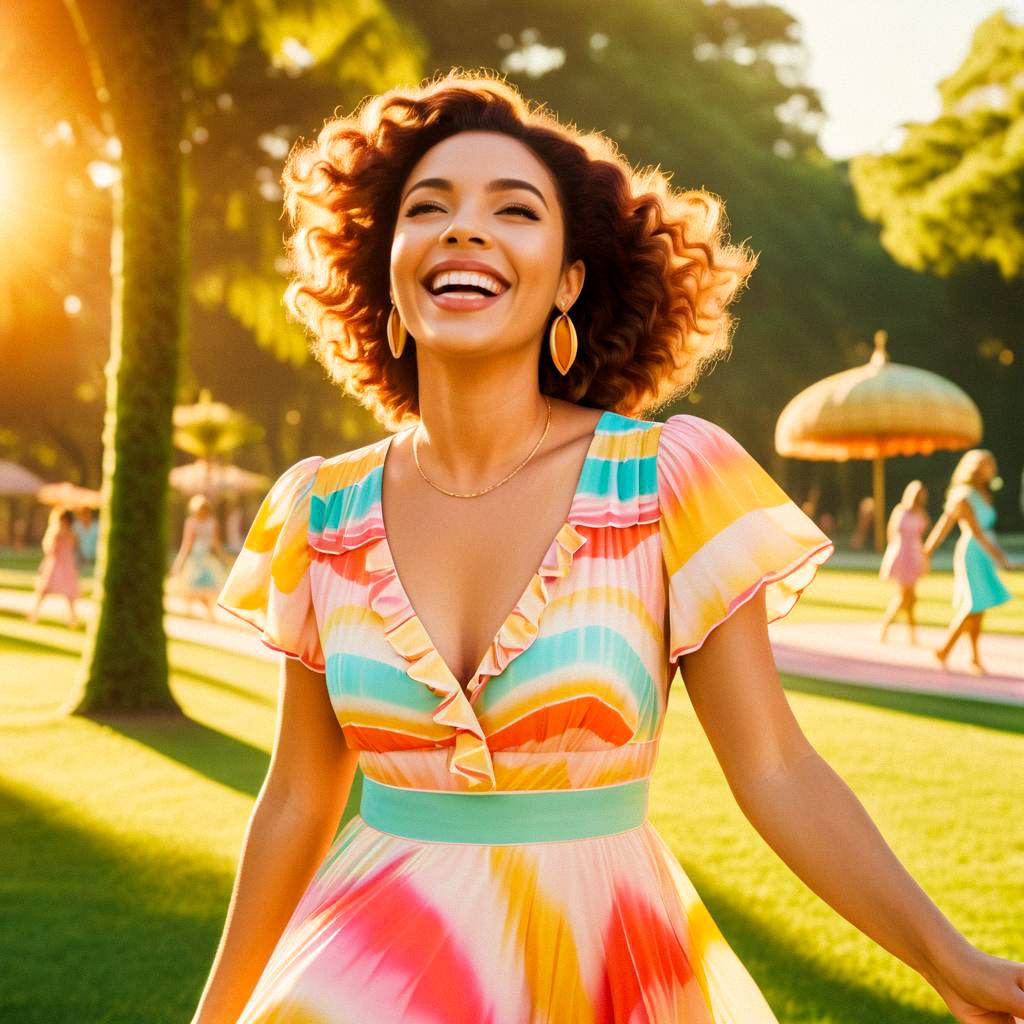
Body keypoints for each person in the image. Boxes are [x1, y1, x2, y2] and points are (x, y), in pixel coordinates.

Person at [192, 73, 1024, 1024]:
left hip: (607, 968)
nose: (465, 229)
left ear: (568, 282)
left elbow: (776, 769)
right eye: (430, 207)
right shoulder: (319, 510)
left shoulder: (668, 480)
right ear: (389, 266)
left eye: (514, 210)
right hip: (360, 977)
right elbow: (298, 800)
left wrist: (946, 959)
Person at [924, 450, 1017, 674]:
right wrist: (928, 550)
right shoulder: (963, 495)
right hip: (974, 551)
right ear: (976, 468)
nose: (992, 469)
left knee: (980, 605)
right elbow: (949, 526)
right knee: (973, 604)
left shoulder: (984, 493)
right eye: (988, 465)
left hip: (985, 550)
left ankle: (972, 655)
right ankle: (945, 649)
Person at [878, 480, 930, 645]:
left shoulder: (921, 513)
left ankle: (911, 633)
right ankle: (886, 625)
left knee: (911, 598)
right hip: (902, 553)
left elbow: (922, 534)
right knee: (905, 596)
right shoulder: (901, 510)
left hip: (914, 554)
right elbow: (891, 531)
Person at [170, 494, 227, 619]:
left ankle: (205, 613)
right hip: (196, 558)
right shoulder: (192, 522)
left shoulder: (211, 522)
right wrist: (179, 562)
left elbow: (215, 542)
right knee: (194, 587)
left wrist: (223, 557)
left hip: (205, 558)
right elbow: (186, 544)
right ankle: (191, 612)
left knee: (204, 587)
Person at [28, 507, 80, 628]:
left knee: (69, 593)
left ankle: (72, 618)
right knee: (44, 591)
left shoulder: (68, 533)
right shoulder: (57, 532)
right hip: (57, 564)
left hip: (64, 565)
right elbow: (49, 548)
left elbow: (70, 546)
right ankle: (35, 613)